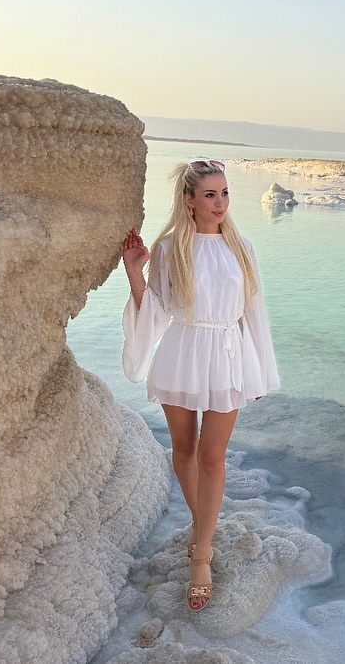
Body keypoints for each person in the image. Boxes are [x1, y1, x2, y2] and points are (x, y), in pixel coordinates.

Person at [120, 159, 280, 612]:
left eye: (225, 193)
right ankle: (201, 524)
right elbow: (155, 312)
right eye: (210, 195)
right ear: (189, 201)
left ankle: (201, 554)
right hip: (182, 353)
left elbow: (255, 312)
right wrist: (135, 271)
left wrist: (260, 370)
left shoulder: (242, 247)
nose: (220, 203)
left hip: (228, 356)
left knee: (213, 457)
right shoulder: (170, 248)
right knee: (184, 450)